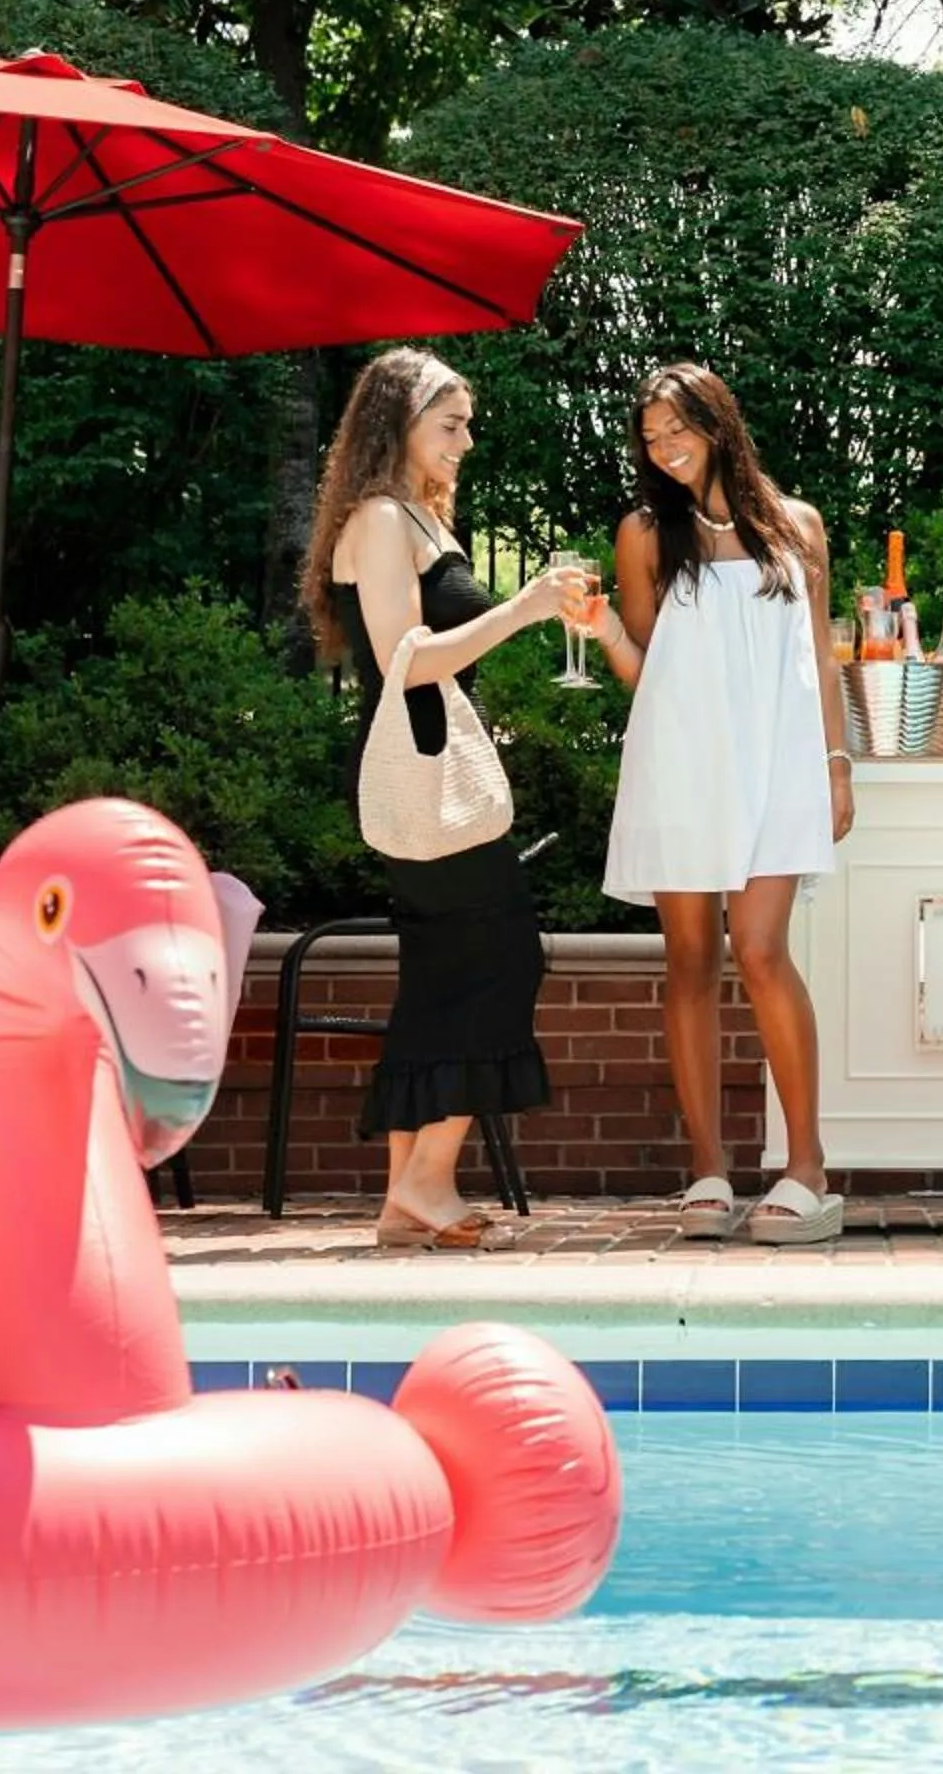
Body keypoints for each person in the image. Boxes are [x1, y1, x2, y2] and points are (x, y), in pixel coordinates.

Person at [560, 362, 852, 1245]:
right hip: (681, 763)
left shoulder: (797, 526)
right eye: (650, 437)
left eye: (677, 427)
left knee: (760, 952)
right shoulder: (646, 534)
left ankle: (807, 1168)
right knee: (689, 959)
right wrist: (601, 629)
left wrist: (838, 763)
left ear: (717, 422)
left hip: (778, 766)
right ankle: (708, 1171)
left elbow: (821, 657)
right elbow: (646, 671)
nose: (665, 447)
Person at [300, 347, 559, 1251]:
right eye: (450, 424)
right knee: (503, 960)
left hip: (429, 764)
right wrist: (524, 608)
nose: (467, 439)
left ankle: (403, 1201)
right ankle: (426, 1182)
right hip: (418, 768)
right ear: (396, 424)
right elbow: (406, 657)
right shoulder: (378, 520)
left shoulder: (413, 516)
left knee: (438, 979)